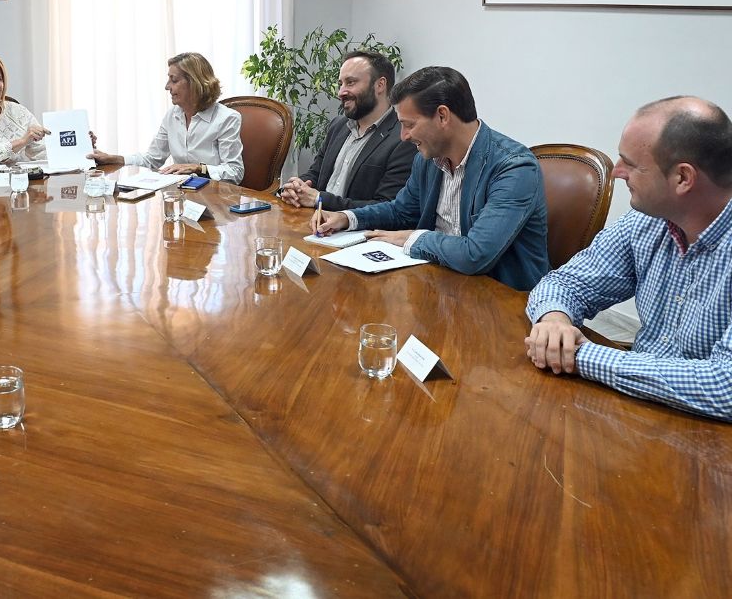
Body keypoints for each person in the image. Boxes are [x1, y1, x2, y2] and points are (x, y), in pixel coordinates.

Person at [526, 96, 732, 421]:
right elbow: (566, 282)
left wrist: (580, 356)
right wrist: (554, 321)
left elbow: (725, 387)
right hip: (638, 410)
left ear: (682, 178)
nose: (616, 172)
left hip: (706, 431)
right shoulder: (646, 222)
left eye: (631, 164)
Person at [311, 66, 548, 291]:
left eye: (409, 125)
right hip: (436, 284)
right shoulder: (428, 159)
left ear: (442, 116)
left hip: (498, 301)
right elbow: (401, 211)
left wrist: (412, 239)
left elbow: (475, 255)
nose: (403, 136)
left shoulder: (514, 168)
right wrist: (347, 218)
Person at [278, 51, 417, 210]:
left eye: (350, 82)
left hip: (353, 225)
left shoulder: (404, 138)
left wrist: (319, 199)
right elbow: (315, 174)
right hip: (312, 220)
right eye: (340, 84)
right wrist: (296, 187)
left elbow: (388, 207)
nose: (341, 92)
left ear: (380, 85)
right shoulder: (337, 126)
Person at [89, 52, 245, 184]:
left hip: (215, 199)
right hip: (183, 197)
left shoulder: (227, 118)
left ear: (195, 83)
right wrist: (113, 158)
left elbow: (235, 172)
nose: (167, 86)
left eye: (174, 80)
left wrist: (199, 168)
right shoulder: (173, 115)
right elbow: (152, 159)